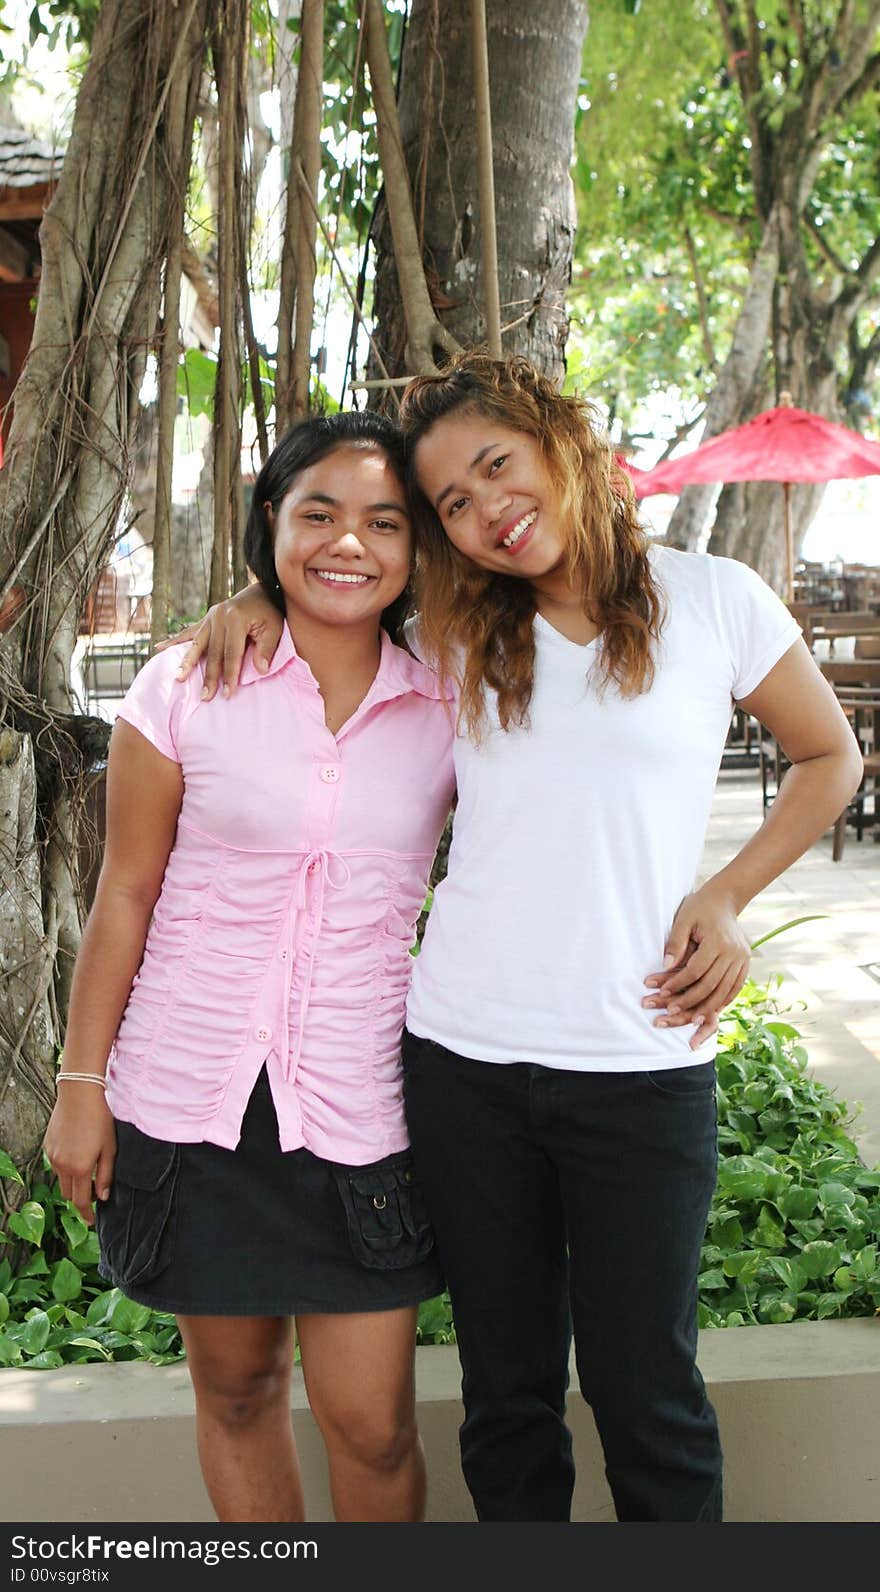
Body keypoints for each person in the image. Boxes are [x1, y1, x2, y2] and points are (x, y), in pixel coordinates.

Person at [167, 353, 863, 1524]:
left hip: (641, 1066)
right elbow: (328, 593)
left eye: (495, 465)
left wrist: (730, 896)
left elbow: (828, 756)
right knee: (505, 1396)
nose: (486, 508)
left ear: (559, 441)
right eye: (451, 501)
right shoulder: (449, 629)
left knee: (650, 1394)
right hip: (465, 1067)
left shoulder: (717, 598)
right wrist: (250, 598)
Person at [43, 411, 456, 1524]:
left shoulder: (452, 706)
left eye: (384, 521)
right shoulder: (183, 686)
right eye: (316, 512)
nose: (348, 543)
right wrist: (81, 1087)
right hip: (190, 1101)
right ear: (270, 520)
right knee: (235, 1391)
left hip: (360, 1109)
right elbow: (124, 891)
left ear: (417, 546)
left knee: (371, 1422)